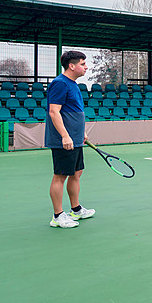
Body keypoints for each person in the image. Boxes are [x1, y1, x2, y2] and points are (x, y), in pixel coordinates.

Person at [46, 50, 95, 228]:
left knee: (76, 173)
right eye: (83, 64)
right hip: (64, 140)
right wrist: (65, 135)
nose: (86, 67)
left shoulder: (73, 84)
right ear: (72, 66)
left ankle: (76, 209)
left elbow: (73, 112)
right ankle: (58, 216)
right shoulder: (60, 83)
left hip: (75, 138)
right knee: (60, 176)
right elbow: (54, 112)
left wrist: (81, 132)